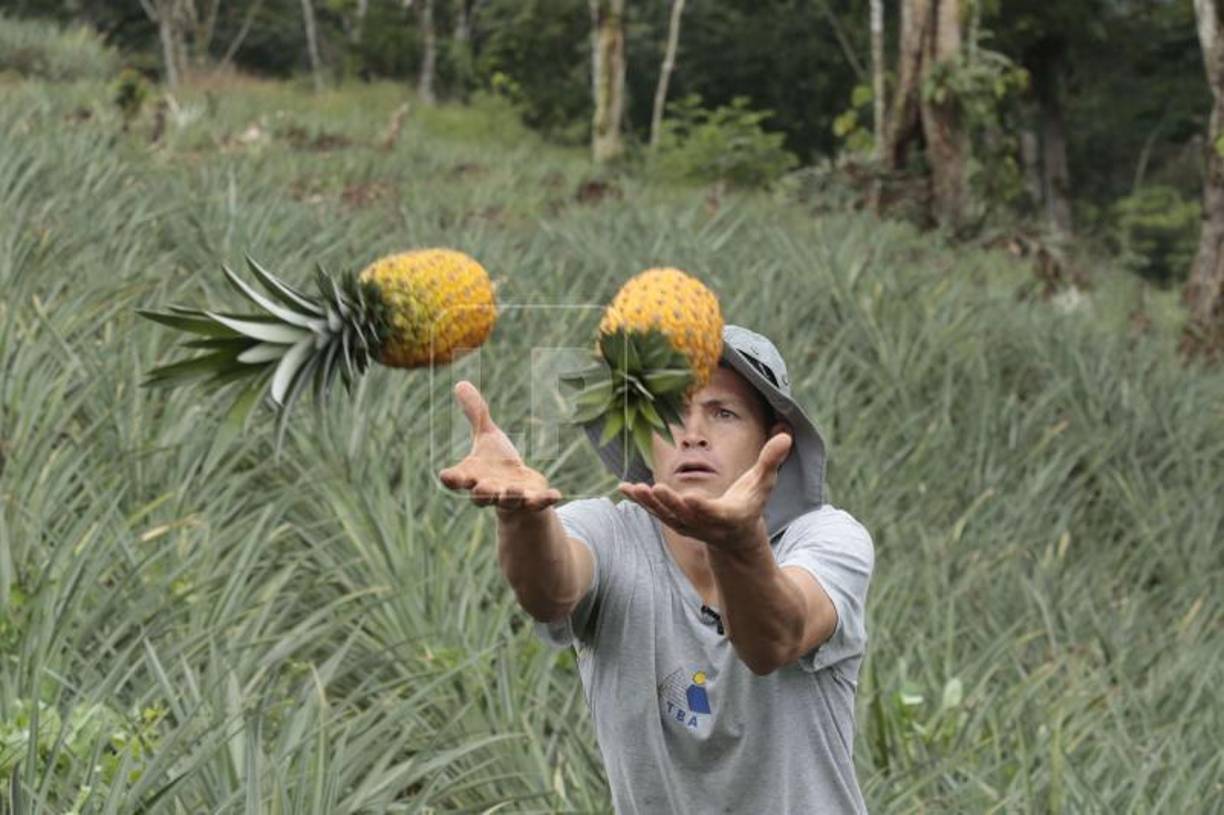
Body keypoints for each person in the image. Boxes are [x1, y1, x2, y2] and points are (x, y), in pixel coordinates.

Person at [439, 325, 874, 814]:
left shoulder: (826, 539)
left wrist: (735, 541)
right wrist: (520, 517)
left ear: (773, 443)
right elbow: (550, 591)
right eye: (669, 412)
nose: (692, 434)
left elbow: (774, 639)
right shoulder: (609, 533)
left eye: (724, 413)